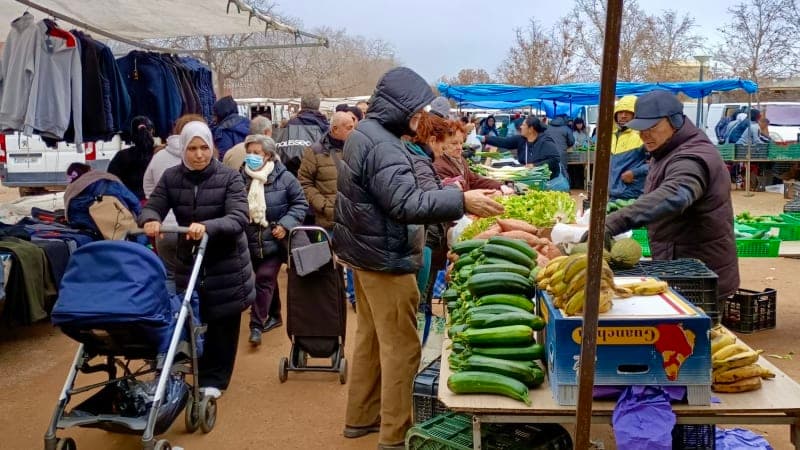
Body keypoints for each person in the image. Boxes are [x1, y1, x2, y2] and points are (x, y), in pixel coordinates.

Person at [335, 67, 504, 450]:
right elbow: (405, 203)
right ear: (396, 107)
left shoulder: (366, 134)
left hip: (364, 254)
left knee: (370, 339)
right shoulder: (384, 145)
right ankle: (395, 435)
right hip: (385, 258)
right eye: (414, 111)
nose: (418, 118)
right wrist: (461, 200)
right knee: (402, 347)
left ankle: (361, 418)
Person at [139, 121, 255, 399]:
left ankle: (215, 379)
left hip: (226, 263)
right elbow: (153, 205)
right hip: (190, 260)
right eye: (192, 149)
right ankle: (191, 367)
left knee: (222, 322)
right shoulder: (171, 177)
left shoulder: (230, 177)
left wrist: (207, 227)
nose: (199, 154)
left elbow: (239, 217)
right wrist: (151, 219)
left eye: (204, 147)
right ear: (183, 149)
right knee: (192, 315)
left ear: (212, 147)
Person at [603, 90, 739, 303]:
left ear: (674, 121)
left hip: (701, 275)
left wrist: (614, 222)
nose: (644, 135)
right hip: (681, 266)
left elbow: (675, 194)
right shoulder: (666, 149)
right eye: (640, 129)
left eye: (652, 127)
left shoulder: (691, 156)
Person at [242, 135, 308, 346]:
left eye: (257, 153)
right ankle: (275, 315)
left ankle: (256, 325)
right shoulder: (240, 178)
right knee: (266, 281)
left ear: (268, 155)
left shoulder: (284, 178)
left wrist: (285, 225)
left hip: (275, 240)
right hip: (250, 241)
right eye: (249, 152)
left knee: (264, 278)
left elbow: (300, 203)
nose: (251, 157)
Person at [142, 113, 205, 292]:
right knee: (197, 277)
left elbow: (148, 186)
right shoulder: (206, 157)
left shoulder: (159, 156)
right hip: (195, 229)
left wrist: (159, 208)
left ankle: (172, 308)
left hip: (165, 228)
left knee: (170, 276)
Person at [477, 116, 569, 192]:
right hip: (532, 179)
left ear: (531, 129)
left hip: (549, 183)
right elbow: (504, 142)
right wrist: (484, 139)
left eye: (523, 125)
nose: (521, 127)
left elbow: (555, 159)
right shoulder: (521, 140)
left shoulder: (545, 141)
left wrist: (535, 165)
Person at [298, 111, 355, 231]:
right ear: (335, 129)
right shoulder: (315, 151)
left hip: (355, 222)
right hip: (328, 223)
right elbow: (304, 183)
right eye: (349, 128)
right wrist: (324, 206)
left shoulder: (357, 148)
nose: (353, 131)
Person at [434, 120, 505, 192]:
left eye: (461, 143)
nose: (459, 147)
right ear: (441, 143)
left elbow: (474, 180)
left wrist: (499, 186)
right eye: (454, 143)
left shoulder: (460, 160)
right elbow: (455, 194)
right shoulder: (440, 166)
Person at [107, 116, 158, 201]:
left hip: (128, 202)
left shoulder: (121, 156)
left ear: (132, 134)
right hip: (156, 202)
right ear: (152, 131)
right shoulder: (159, 154)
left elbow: (111, 181)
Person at [277, 94, 330, 176]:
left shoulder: (287, 126)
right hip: (314, 175)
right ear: (318, 107)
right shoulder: (325, 127)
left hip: (286, 175)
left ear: (301, 106)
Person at [608, 95, 648, 201]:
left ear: (635, 115)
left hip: (633, 195)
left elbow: (656, 164)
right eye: (620, 112)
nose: (623, 116)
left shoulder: (643, 136)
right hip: (612, 195)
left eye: (628, 112)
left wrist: (634, 173)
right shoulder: (611, 137)